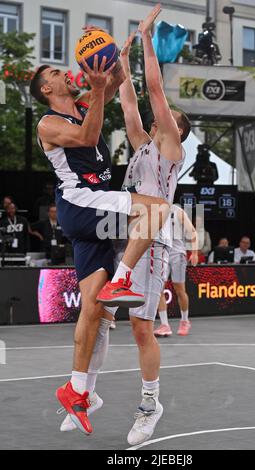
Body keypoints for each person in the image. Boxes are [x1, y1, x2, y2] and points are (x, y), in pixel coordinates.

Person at [60, 5, 191, 445]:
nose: (158, 118)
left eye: (167, 119)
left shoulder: (170, 149)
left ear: (173, 129)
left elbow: (154, 91)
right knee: (96, 314)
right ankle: (84, 394)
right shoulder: (141, 145)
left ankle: (150, 404)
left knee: (140, 326)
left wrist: (148, 37)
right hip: (126, 236)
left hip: (154, 240)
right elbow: (131, 100)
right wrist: (122, 62)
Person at [30, 25, 170, 436]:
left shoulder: (84, 101)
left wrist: (115, 59)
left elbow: (120, 84)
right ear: (46, 89)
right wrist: (95, 92)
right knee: (158, 210)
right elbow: (89, 135)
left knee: (93, 312)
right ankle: (123, 278)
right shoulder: (48, 123)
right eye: (55, 73)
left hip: (92, 211)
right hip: (82, 204)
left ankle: (78, 392)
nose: (63, 72)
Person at [154, 205, 198, 338]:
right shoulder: (154, 209)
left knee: (179, 289)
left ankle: (185, 320)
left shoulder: (178, 211)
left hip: (177, 253)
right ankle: (164, 324)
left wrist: (194, 252)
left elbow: (193, 232)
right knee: (158, 289)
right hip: (161, 253)